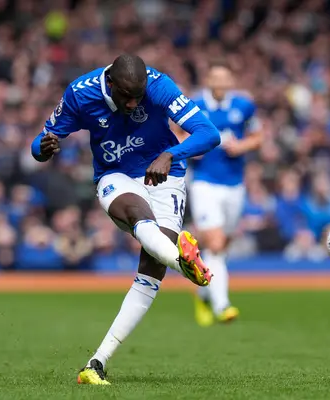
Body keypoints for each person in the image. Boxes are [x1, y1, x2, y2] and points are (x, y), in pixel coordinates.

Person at [31, 54, 221, 385]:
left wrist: (170, 154)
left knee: (152, 267)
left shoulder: (159, 86)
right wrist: (44, 148)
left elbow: (209, 133)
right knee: (138, 215)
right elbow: (39, 144)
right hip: (114, 175)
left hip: (167, 175)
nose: (134, 103)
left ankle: (95, 364)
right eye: (126, 96)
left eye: (139, 95)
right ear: (111, 84)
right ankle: (185, 262)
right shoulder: (81, 93)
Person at [188, 60, 262, 326]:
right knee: (216, 244)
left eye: (225, 78)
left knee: (222, 246)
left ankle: (202, 294)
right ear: (208, 81)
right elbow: (175, 134)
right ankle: (223, 305)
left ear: (231, 82)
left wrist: (242, 147)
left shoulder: (244, 106)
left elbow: (258, 136)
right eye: (215, 78)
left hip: (235, 185)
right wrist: (192, 148)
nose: (220, 83)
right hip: (205, 182)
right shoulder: (194, 104)